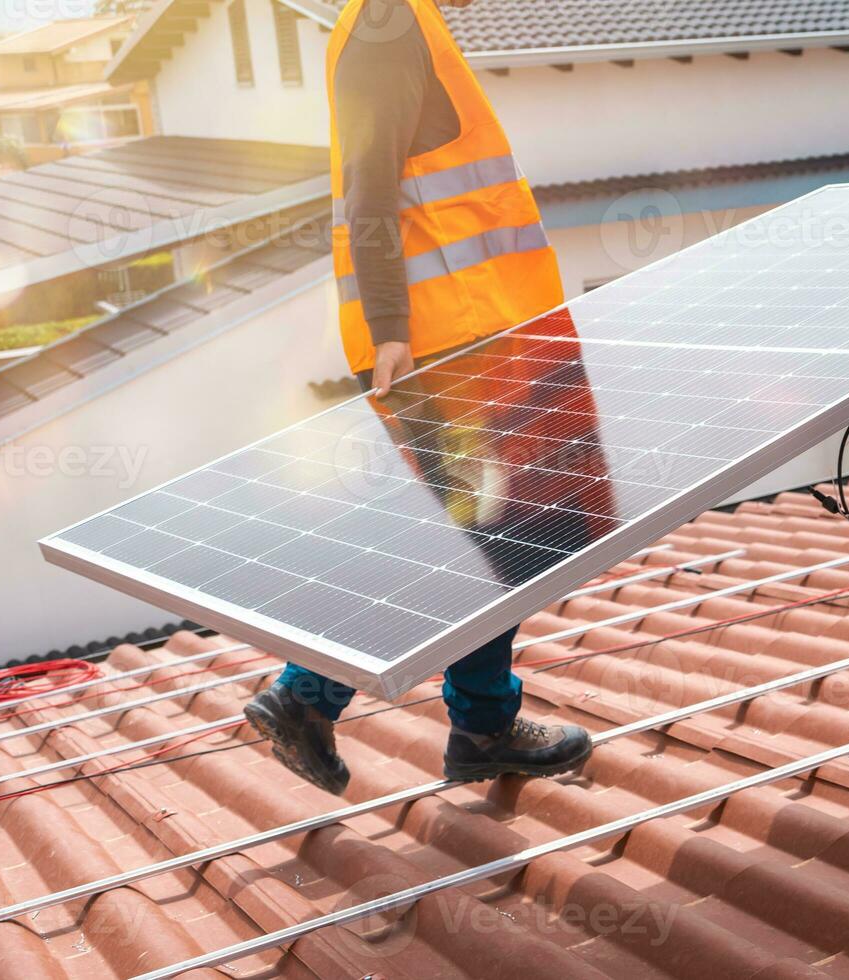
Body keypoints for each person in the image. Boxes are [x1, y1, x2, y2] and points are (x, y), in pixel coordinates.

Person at [243, 0, 591, 794]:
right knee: (499, 538)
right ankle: (457, 719)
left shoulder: (401, 22)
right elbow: (368, 184)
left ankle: (449, 719)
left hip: (471, 331)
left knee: (475, 539)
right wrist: (392, 325)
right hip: (445, 340)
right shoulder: (386, 24)